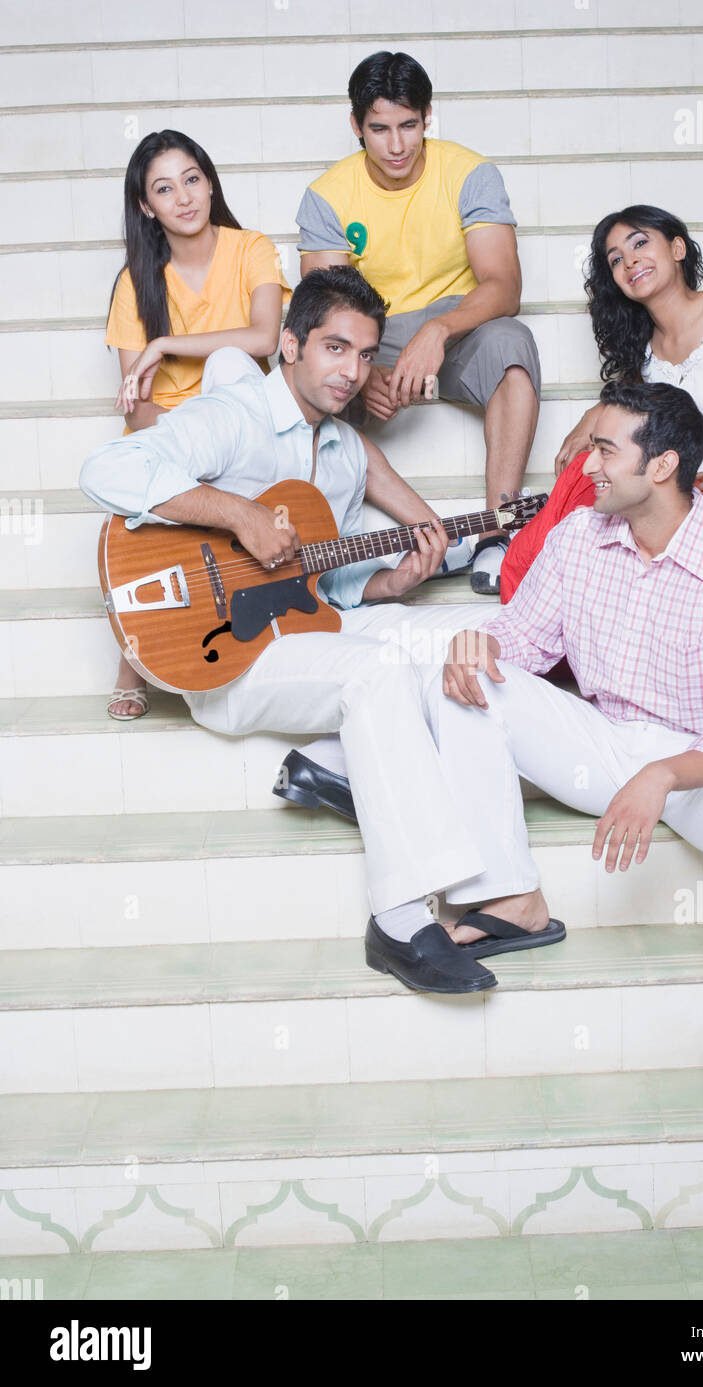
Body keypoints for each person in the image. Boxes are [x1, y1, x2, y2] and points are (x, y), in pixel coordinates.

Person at [81, 266, 563, 995]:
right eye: (335, 348)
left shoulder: (339, 453)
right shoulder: (236, 416)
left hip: (305, 635)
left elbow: (321, 589)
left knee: (487, 629)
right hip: (224, 661)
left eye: (365, 355)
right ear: (290, 344)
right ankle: (401, 921)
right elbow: (109, 468)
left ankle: (351, 769)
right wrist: (238, 514)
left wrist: (393, 583)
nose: (351, 372)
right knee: (374, 676)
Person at [431, 379, 703, 1154]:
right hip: (601, 741)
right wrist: (481, 644)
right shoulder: (579, 536)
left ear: (662, 464)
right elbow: (525, 643)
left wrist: (664, 774)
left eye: (605, 448)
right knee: (459, 681)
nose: (586, 464)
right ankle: (512, 897)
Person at [295, 49, 542, 596]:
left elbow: (504, 286)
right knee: (305, 365)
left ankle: (499, 530)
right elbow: (324, 309)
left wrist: (439, 330)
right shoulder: (327, 196)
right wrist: (363, 369)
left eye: (409, 125)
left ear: (428, 117)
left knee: (513, 344)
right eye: (380, 129)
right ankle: (343, 559)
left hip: (458, 324)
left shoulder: (470, 172)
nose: (398, 145)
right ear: (356, 125)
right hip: (373, 333)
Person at [501, 205, 703, 603]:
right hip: (680, 504)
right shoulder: (645, 355)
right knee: (583, 478)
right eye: (616, 259)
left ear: (678, 249)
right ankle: (530, 608)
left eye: (641, 243)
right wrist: (592, 419)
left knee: (598, 536)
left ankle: (534, 609)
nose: (630, 261)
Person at [104, 128, 291, 718]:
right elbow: (137, 406)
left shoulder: (251, 248)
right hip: (180, 433)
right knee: (155, 476)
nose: (183, 198)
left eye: (192, 179)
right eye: (164, 188)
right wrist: (186, 442)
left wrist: (166, 343)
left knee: (233, 364)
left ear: (209, 182)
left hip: (246, 425)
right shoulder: (136, 281)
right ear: (145, 205)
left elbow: (266, 338)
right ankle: (138, 654)